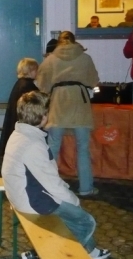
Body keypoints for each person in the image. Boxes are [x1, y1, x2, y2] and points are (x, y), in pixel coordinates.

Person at [1, 91, 110, 259]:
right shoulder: (32, 144)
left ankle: (88, 249)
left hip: (21, 192)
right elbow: (51, 183)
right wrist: (73, 199)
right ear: (43, 117)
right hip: (32, 200)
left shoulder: (20, 133)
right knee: (85, 221)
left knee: (73, 216)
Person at [36, 31, 100, 196]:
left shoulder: (50, 59)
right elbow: (93, 80)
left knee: (53, 146)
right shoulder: (85, 58)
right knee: (83, 148)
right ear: (74, 41)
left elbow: (41, 84)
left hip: (58, 102)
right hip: (79, 101)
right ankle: (86, 188)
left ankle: (48, 186)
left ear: (59, 42)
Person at [0, 57, 39, 157]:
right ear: (30, 70)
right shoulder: (28, 86)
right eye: (36, 69)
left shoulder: (20, 83)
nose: (37, 72)